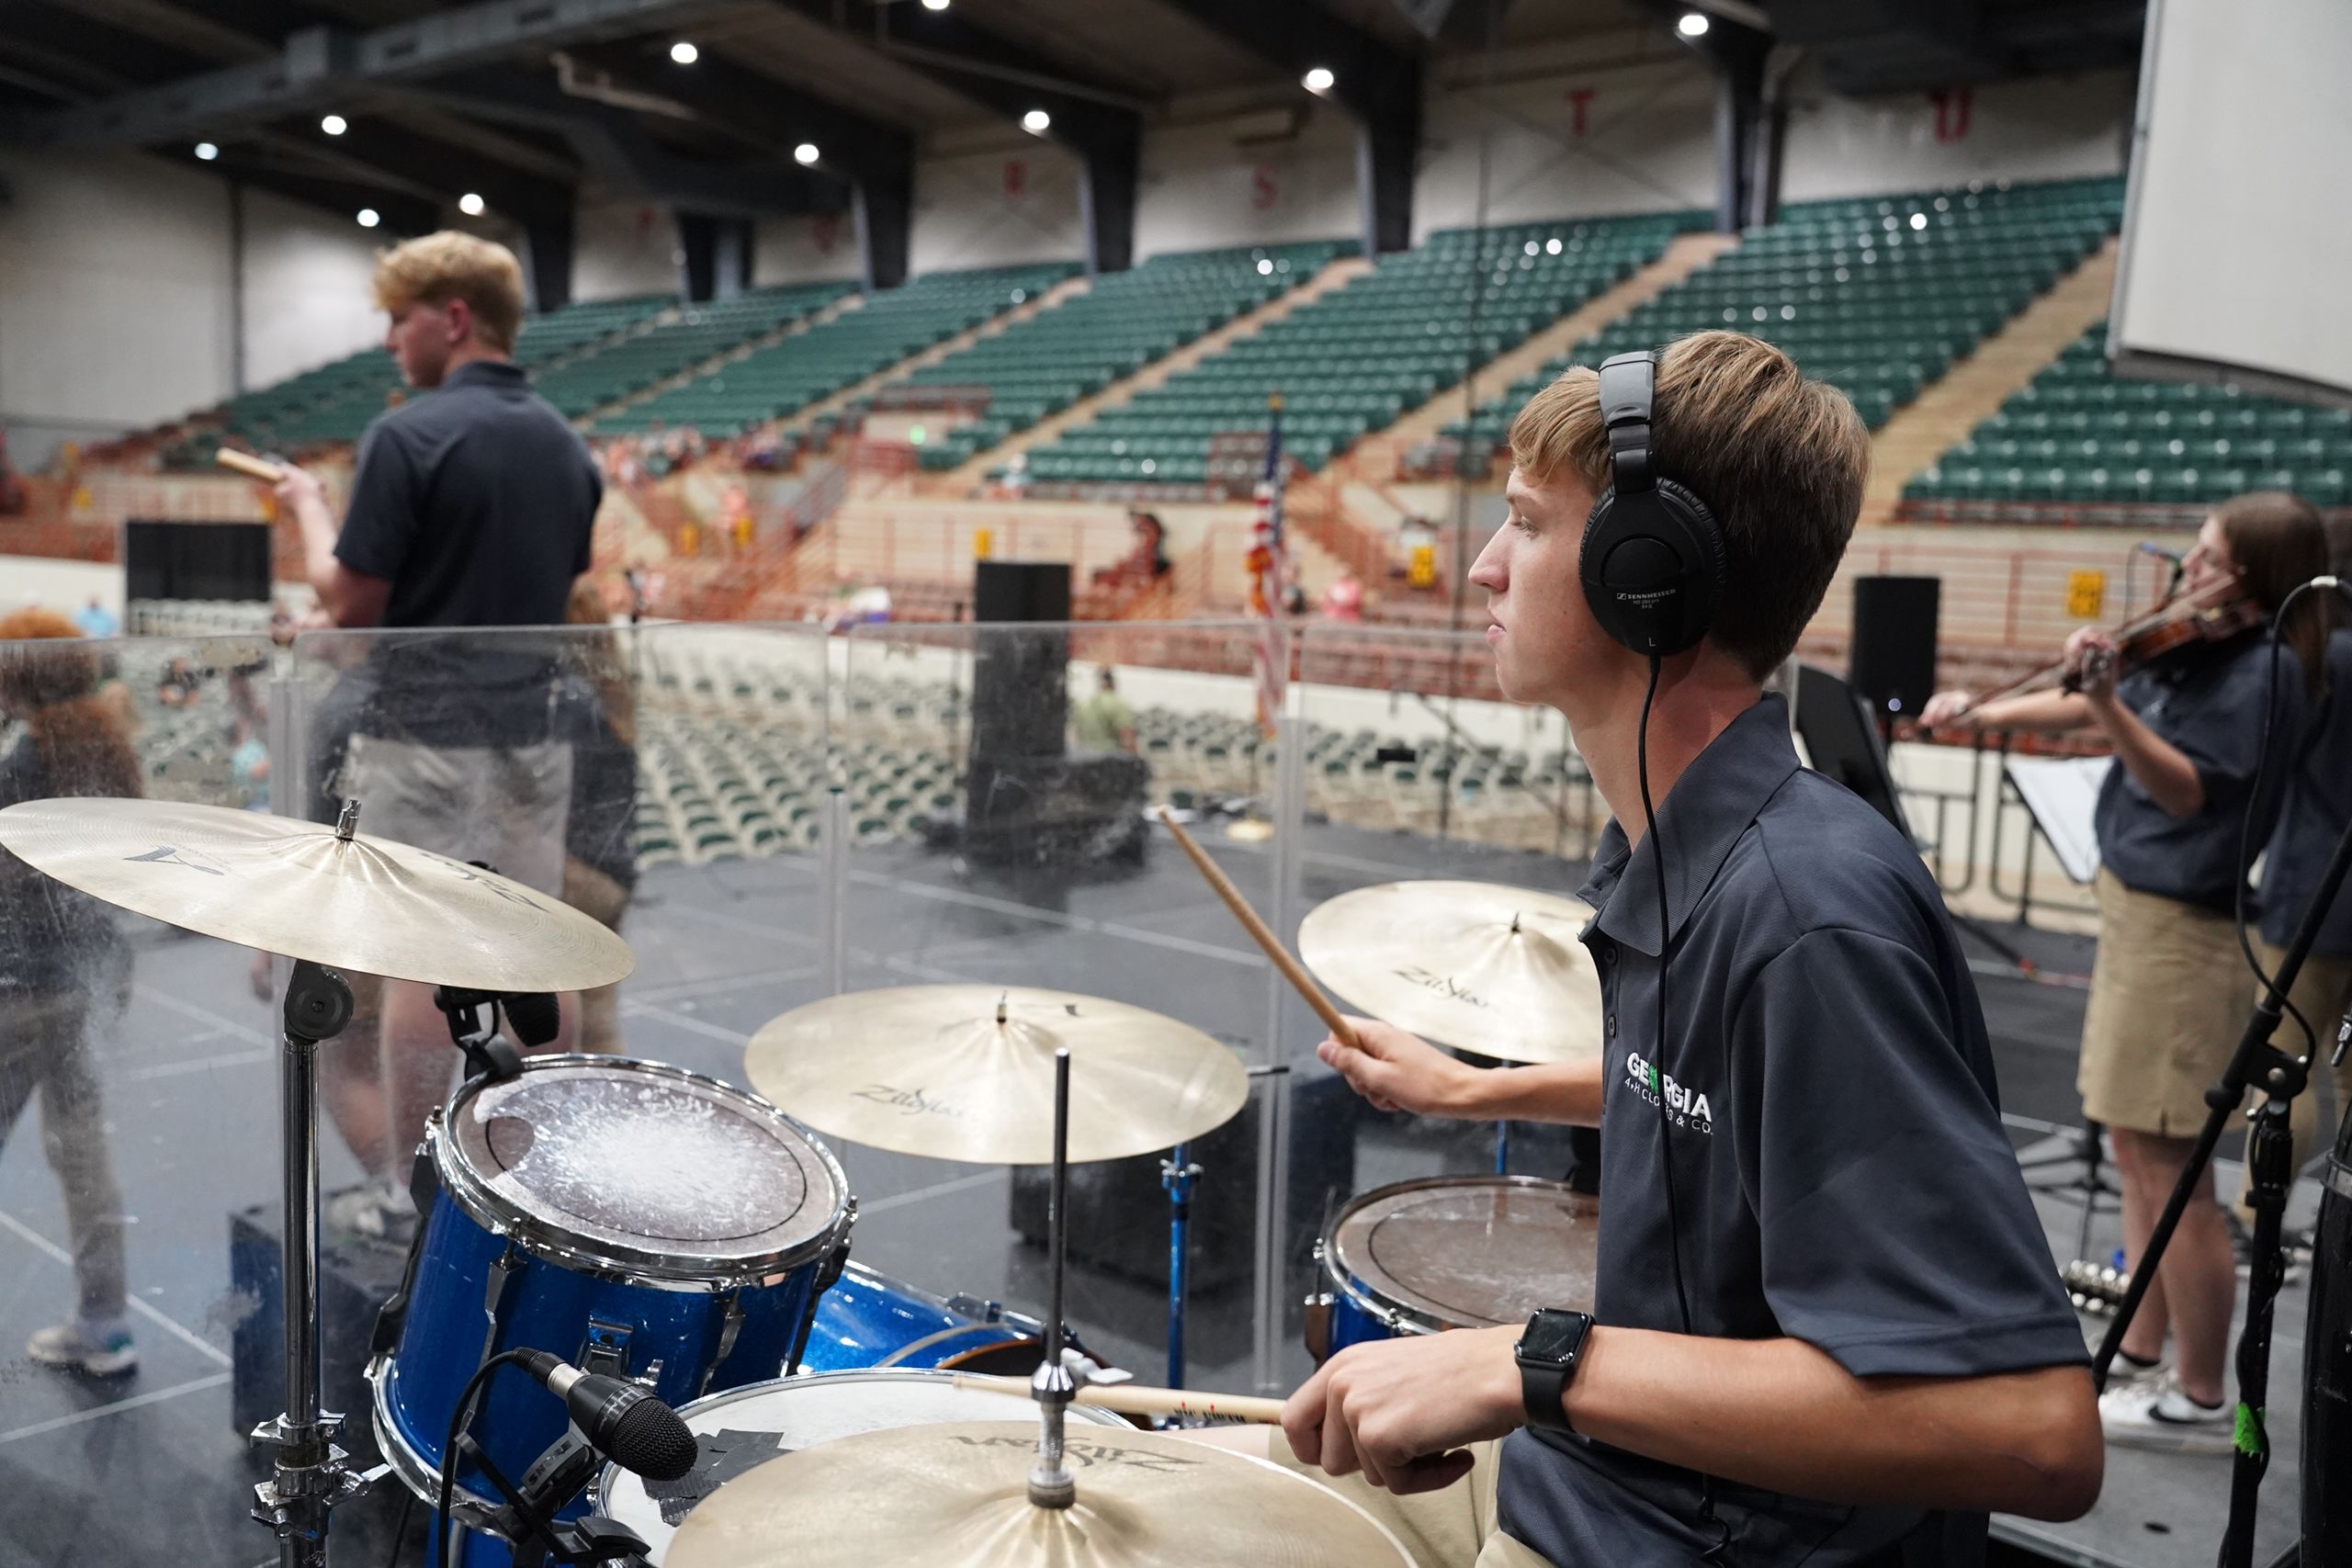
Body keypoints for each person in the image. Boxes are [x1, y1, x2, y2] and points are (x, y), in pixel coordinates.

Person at [1220, 333, 2102, 1566]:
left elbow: (2032, 1430)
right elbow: (1725, 1096)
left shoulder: (1804, 914)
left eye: (1524, 523)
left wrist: (1529, 1359)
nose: (1480, 566)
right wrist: (1480, 1089)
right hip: (1598, 1484)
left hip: (1691, 1538)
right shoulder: (1680, 849)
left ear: (1650, 578)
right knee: (1195, 1479)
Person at [1922, 490, 2329, 1453]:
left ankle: (2196, 1395)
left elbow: (2184, 789)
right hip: (2140, 922)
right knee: (2129, 1150)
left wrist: (2104, 697)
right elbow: (2085, 705)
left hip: (2182, 942)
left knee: (2170, 1171)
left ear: (2252, 577)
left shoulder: (2263, 667)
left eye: (2205, 558)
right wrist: (1976, 712)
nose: (2186, 572)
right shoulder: (2197, 652)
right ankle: (2141, 1352)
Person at [263, 230, 601, 1235]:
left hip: (424, 733)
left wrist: (309, 509)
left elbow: (352, 600)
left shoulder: (407, 435)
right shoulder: (566, 444)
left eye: (399, 319)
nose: (389, 342)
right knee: (537, 953)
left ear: (452, 318)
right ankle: (543, 1171)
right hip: (534, 733)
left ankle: (421, 1198)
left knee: (421, 957)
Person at [0, 609, 140, 1375]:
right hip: (93, 981)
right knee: (83, 1151)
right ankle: (106, 1320)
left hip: (20, 990)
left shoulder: (23, 764)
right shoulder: (104, 746)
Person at [1070, 667, 1137, 752]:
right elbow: (1128, 739)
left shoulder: (1083, 705)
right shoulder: (1118, 703)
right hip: (1111, 760)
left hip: (1087, 759)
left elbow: (1076, 737)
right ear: (1113, 682)